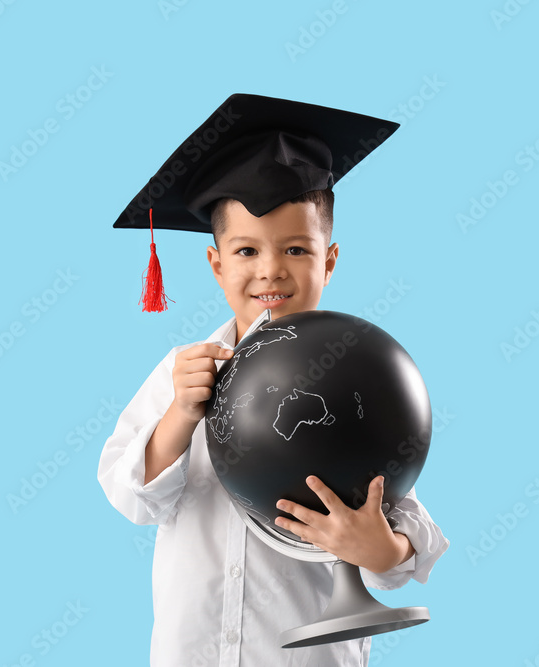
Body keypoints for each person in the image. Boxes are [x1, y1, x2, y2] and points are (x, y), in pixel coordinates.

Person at [97, 94, 448, 667]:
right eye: (245, 250)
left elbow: (401, 510)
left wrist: (383, 549)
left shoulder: (355, 370)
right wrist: (181, 416)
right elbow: (130, 495)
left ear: (328, 260)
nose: (270, 269)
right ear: (216, 264)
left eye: (295, 248)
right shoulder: (181, 371)